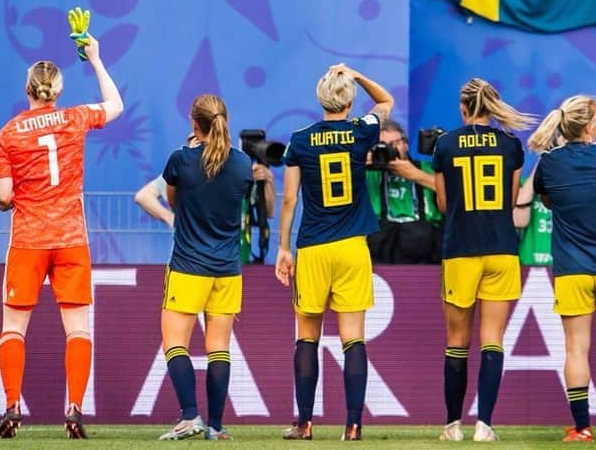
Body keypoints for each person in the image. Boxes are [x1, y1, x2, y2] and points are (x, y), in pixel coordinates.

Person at [0, 28, 123, 439]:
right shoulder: (73, 118)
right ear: (58, 90)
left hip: (28, 240)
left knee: (14, 329)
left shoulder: (9, 134)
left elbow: (3, 197)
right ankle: (73, 409)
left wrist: (10, 196)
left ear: (28, 89)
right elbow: (116, 106)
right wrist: (96, 58)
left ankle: (12, 406)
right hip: (71, 239)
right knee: (78, 330)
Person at [276, 64, 394, 441]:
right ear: (349, 99)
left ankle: (305, 424)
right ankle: (354, 425)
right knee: (353, 339)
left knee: (307, 337)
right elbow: (386, 100)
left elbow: (290, 199)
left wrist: (283, 248)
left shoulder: (300, 139)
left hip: (313, 245)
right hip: (352, 246)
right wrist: (356, 75)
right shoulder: (362, 131)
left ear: (320, 97)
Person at [529, 96, 596, 442]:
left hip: (571, 267)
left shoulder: (549, 162)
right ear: (590, 125)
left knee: (576, 348)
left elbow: (546, 200)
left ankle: (582, 428)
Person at [433, 78, 535, 442]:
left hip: (460, 249)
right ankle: (485, 425)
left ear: (463, 109)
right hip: (501, 248)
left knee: (456, 340)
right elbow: (510, 201)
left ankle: (452, 425)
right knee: (492, 339)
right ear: (492, 108)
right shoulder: (510, 145)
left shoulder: (445, 145)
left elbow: (444, 205)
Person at [158, 95, 252, 441]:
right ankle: (215, 425)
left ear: (194, 124)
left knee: (174, 342)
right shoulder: (243, 165)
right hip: (227, 269)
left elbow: (172, 200)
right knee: (219, 347)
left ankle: (189, 416)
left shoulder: (180, 160)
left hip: (188, 266)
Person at [366, 120, 443, 265]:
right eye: (383, 145)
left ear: (405, 144)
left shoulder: (425, 168)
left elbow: (453, 193)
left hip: (423, 241)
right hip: (382, 243)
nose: (389, 149)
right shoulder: (370, 173)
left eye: (393, 144)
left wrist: (414, 174)